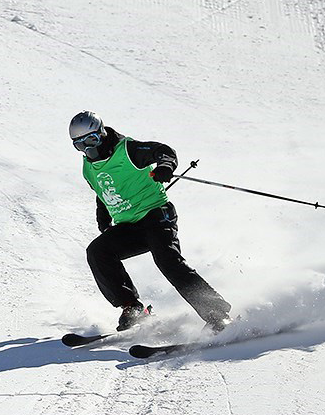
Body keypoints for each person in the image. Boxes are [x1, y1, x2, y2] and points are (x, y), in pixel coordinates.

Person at [70, 111, 232, 332]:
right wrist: (104, 220)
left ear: (102, 133)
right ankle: (132, 309)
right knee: (98, 251)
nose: (88, 148)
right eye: (79, 145)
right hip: (129, 226)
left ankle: (217, 314)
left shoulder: (127, 150)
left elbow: (163, 151)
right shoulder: (88, 167)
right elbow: (102, 193)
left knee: (167, 260)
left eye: (91, 140)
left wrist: (165, 166)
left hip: (156, 215)